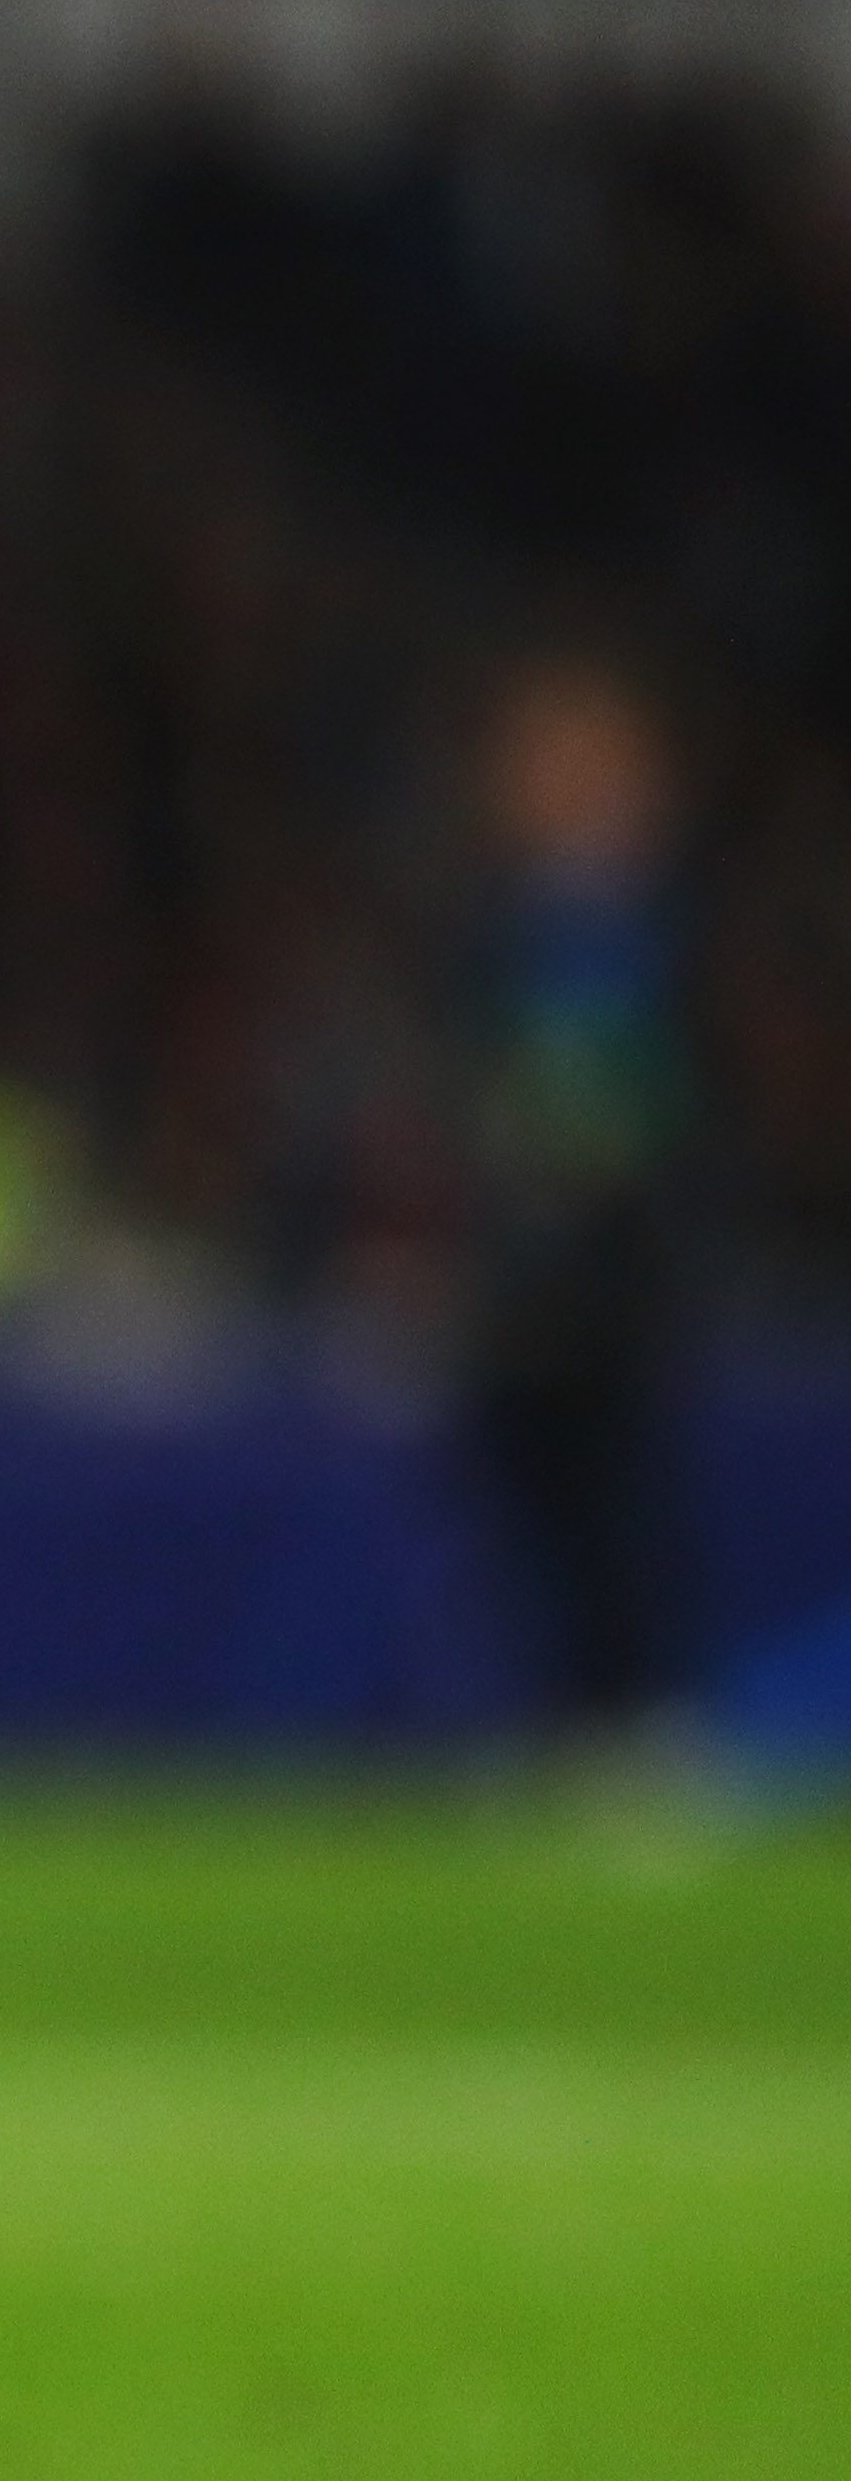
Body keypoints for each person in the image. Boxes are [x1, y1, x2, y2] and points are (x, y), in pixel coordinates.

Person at [456, 653, 700, 1738]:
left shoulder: (644, 932)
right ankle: (556, 1713)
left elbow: (636, 1121)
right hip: (517, 1287)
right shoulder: (499, 931)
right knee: (523, 1517)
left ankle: (635, 1711)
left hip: (612, 1280)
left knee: (615, 1507)